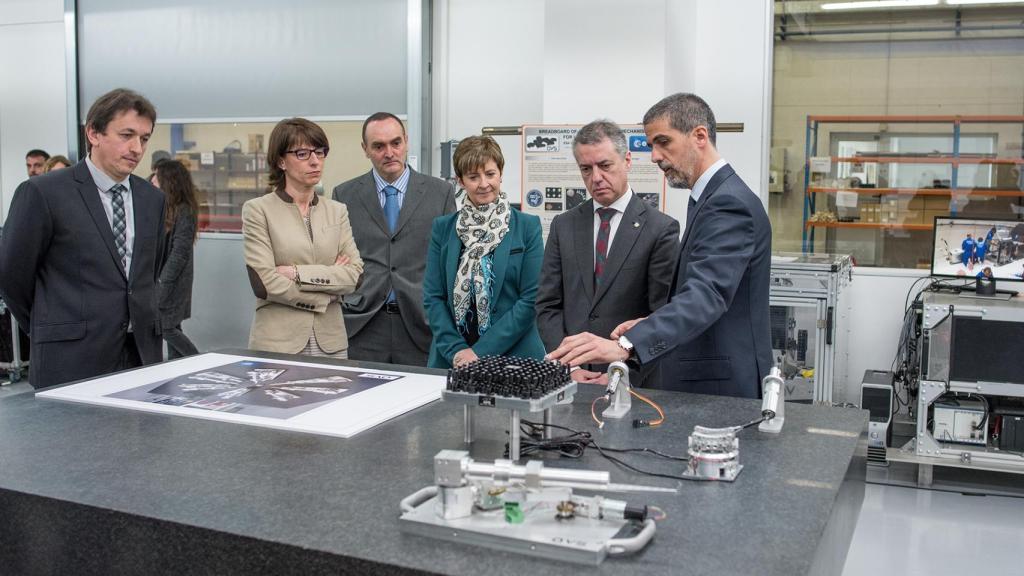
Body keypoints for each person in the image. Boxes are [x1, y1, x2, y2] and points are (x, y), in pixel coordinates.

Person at [548, 93, 773, 399]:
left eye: (663, 142)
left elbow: (706, 295)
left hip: (720, 386)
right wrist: (647, 324)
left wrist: (625, 345)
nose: (654, 156)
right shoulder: (709, 199)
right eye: (652, 145)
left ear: (699, 136)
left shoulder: (727, 202)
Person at [0, 89, 166, 389]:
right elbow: (13, 276)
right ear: (93, 133)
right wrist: (49, 327)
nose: (136, 148)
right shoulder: (43, 193)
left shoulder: (152, 199)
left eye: (144, 138)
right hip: (70, 358)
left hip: (141, 354)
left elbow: (148, 273)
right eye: (126, 135)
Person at [535, 120, 679, 385]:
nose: (596, 177)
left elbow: (662, 314)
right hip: (572, 380)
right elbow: (547, 305)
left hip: (631, 381)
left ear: (627, 160)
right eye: (586, 169)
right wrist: (568, 366)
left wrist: (624, 372)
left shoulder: (660, 229)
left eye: (605, 165)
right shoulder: (563, 225)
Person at [332, 112, 456, 366]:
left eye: (395, 143)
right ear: (365, 149)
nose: (389, 152)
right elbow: (337, 258)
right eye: (378, 146)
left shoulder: (440, 192)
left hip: (421, 324)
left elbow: (450, 262)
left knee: (423, 403)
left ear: (406, 142)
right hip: (363, 324)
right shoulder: (344, 194)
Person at [243, 118, 363, 357]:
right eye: (302, 153)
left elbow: (354, 276)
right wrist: (326, 296)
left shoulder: (337, 211)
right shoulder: (258, 210)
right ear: (280, 161)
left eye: (320, 152)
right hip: (278, 343)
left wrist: (297, 273)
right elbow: (264, 283)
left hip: (331, 344)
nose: (315, 161)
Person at [423, 135, 544, 368]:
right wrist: (456, 350)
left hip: (515, 356)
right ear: (460, 181)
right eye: (473, 177)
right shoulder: (443, 228)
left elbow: (531, 299)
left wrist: (479, 353)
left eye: (490, 174)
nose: (483, 184)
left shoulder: (527, 226)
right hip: (452, 358)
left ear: (500, 173)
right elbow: (433, 297)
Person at [152, 159, 200, 359]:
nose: (152, 179)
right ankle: (176, 368)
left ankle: (199, 360)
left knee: (166, 327)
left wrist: (163, 281)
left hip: (172, 280)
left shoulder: (184, 210)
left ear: (169, 181)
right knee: (172, 324)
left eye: (157, 176)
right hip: (164, 279)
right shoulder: (165, 207)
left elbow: (180, 252)